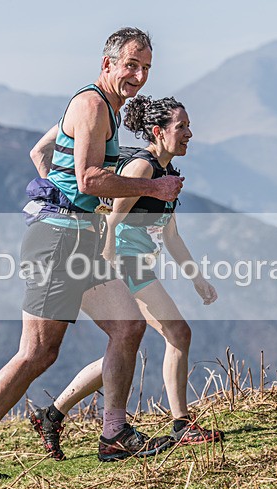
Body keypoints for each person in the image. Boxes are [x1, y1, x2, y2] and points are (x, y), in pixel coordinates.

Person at [0, 27, 184, 481]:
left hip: (80, 238)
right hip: (58, 243)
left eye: (146, 68)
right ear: (107, 64)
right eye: (131, 65)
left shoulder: (106, 108)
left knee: (129, 326)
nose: (139, 76)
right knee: (38, 352)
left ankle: (114, 433)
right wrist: (152, 188)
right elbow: (90, 177)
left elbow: (41, 151)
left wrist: (68, 200)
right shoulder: (92, 105)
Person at [29, 95, 224, 461]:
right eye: (181, 127)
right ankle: (181, 425)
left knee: (122, 350)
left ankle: (52, 414)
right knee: (178, 334)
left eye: (188, 126)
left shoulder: (165, 172)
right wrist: (106, 270)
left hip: (136, 265)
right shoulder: (141, 169)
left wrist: (197, 278)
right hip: (123, 266)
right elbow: (112, 222)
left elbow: (171, 235)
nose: (189, 134)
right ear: (159, 132)